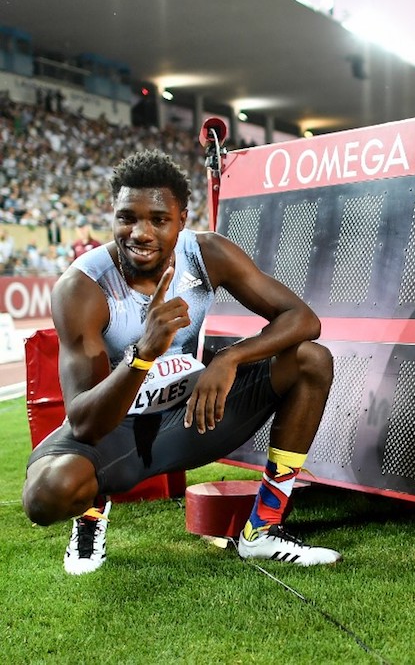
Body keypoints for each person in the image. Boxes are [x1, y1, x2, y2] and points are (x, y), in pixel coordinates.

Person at [22, 149, 340, 574]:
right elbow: (84, 422)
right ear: (112, 215)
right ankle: (91, 515)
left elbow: (303, 319)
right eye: (127, 217)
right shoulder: (82, 287)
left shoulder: (207, 254)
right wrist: (142, 354)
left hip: (192, 413)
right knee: (46, 495)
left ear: (182, 219)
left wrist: (230, 358)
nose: (140, 232)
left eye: (158, 218)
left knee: (311, 360)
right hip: (118, 430)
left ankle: (262, 528)